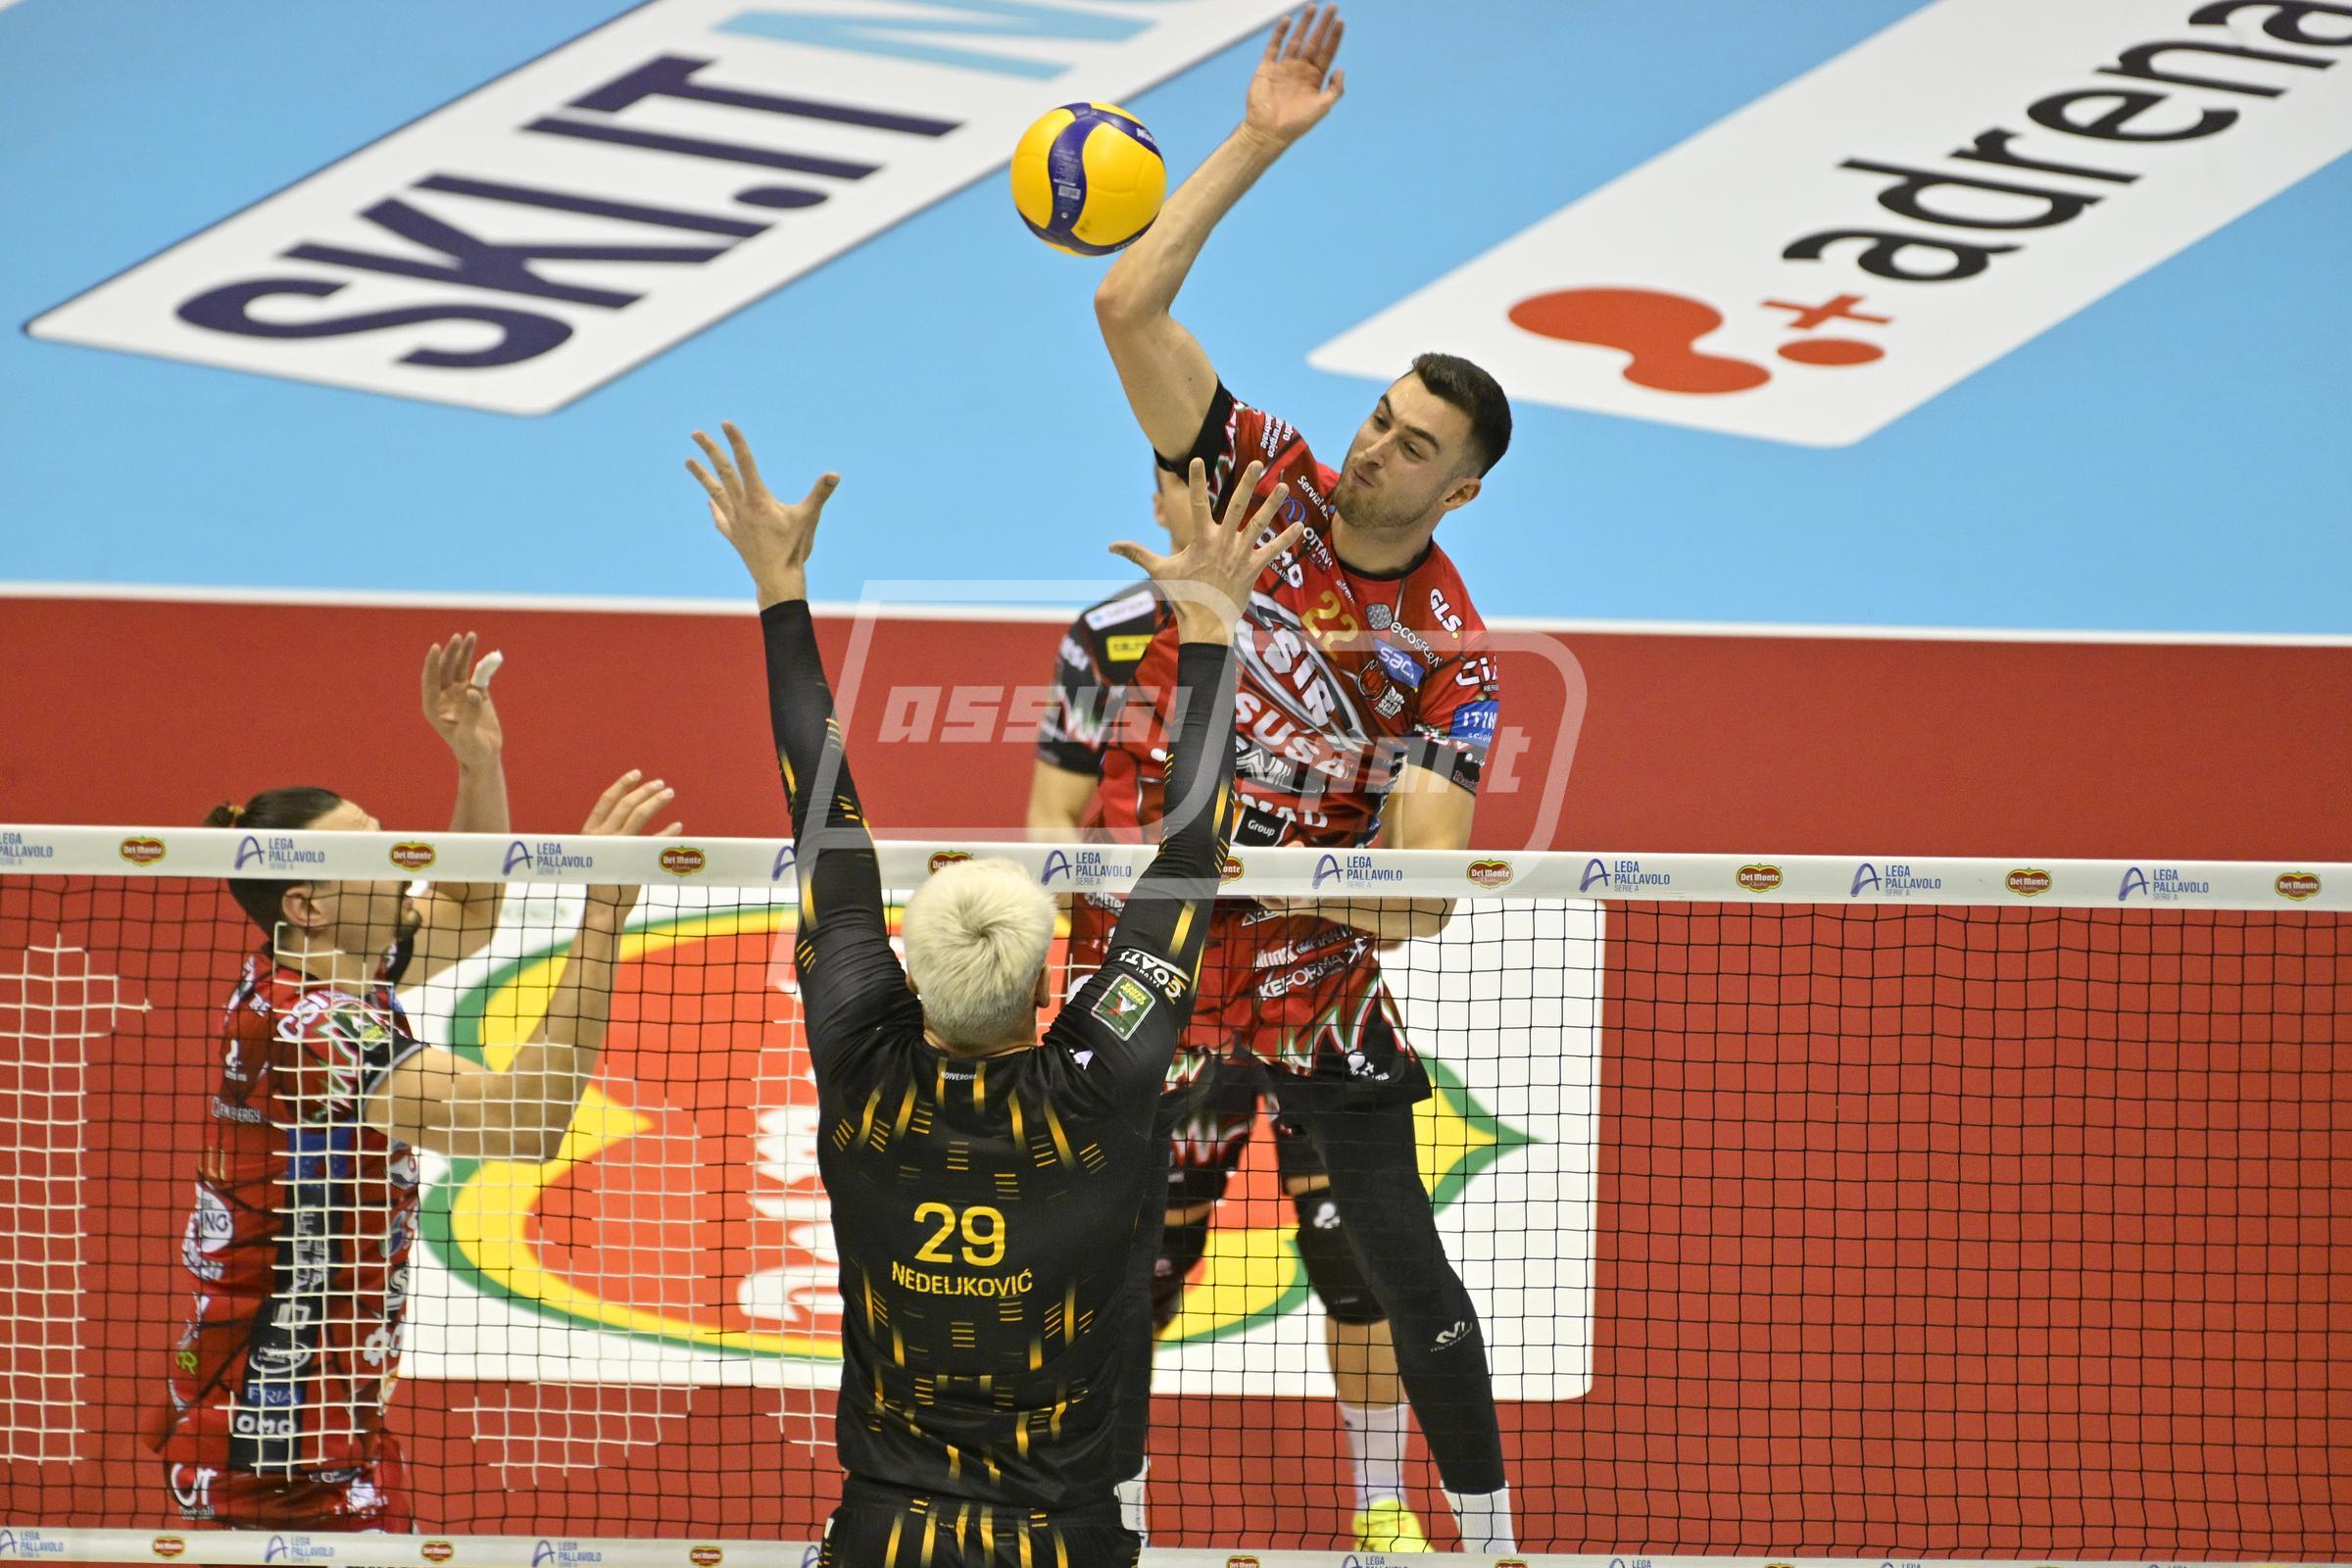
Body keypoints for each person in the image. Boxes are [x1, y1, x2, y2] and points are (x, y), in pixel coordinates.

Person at [685, 419, 1298, 1567]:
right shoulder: (1100, 1078)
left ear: (909, 979)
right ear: (1047, 985)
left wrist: (779, 590)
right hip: (1063, 1539)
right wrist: (1213, 625)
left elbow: (825, 830)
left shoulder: (863, 1056)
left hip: (883, 1532)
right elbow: (1190, 854)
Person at [1088, 3, 1519, 1550]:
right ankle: (1112, 1523)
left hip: (1308, 978)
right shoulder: (1263, 477)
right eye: (1380, 418)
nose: (1374, 449)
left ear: (1461, 488)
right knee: (1113, 1260)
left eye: (1413, 447)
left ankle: (1483, 1535)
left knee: (1395, 1260)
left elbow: (1422, 901)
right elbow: (1127, 305)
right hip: (1163, 948)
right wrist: (1257, 142)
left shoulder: (1449, 659)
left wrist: (1295, 873)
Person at [151, 634, 678, 1533]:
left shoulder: (322, 966)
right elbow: (528, 1123)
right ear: (308, 905)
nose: (403, 858)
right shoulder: (320, 1036)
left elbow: (469, 910)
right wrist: (601, 919)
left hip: (321, 1405)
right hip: (277, 1443)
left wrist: (478, 762)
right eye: (372, 853)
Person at [1027, 461, 1424, 1551]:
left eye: (1234, 494)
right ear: (1159, 505)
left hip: (1308, 991)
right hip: (1160, 1002)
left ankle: (1381, 1503)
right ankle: (1114, 1505)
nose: (1206, 511)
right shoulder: (1107, 638)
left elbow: (1394, 834)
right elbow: (1053, 821)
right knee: (1131, 1273)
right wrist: (1140, 923)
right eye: (1187, 489)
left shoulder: (1343, 644)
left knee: (1361, 1263)